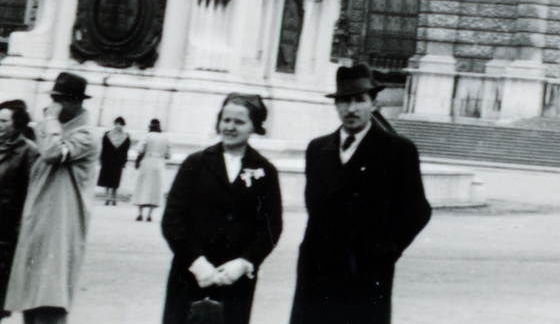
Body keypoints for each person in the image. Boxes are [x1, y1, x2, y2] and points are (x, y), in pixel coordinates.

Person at [289, 64, 431, 324]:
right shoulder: (317, 148)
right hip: (318, 266)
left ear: (374, 104)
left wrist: (386, 251)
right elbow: (315, 205)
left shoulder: (397, 150)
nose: (351, 109)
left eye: (359, 100)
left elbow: (418, 210)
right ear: (336, 105)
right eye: (344, 101)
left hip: (365, 268)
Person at [160, 94, 282, 324]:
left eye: (239, 122)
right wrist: (196, 262)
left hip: (235, 283)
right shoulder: (195, 163)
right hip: (190, 276)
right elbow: (172, 219)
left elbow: (271, 227)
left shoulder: (265, 170)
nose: (230, 127)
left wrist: (245, 262)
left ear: (253, 127)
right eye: (226, 120)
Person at [3, 72, 99, 324]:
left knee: (50, 300)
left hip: (61, 227)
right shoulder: (52, 129)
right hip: (37, 224)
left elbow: (53, 153)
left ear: (76, 102)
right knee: (30, 301)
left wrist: (50, 120)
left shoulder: (86, 134)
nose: (53, 105)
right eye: (53, 99)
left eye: (59, 99)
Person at [0, 101, 39, 317]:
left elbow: (31, 194)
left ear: (18, 124)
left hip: (5, 234)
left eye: (3, 121)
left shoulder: (28, 151)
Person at [133, 119, 170, 222]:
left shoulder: (147, 136)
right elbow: (168, 155)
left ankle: (140, 213)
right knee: (155, 189)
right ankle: (150, 214)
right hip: (159, 164)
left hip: (147, 162)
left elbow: (139, 149)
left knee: (142, 187)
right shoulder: (165, 138)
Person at [95, 119, 129, 207]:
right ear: (115, 124)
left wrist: (124, 160)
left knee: (115, 181)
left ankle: (113, 198)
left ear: (123, 125)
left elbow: (125, 150)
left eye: (121, 124)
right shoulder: (107, 135)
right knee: (107, 180)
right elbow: (104, 148)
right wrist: (101, 159)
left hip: (118, 161)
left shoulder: (126, 136)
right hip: (108, 160)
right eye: (117, 124)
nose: (119, 126)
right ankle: (107, 198)